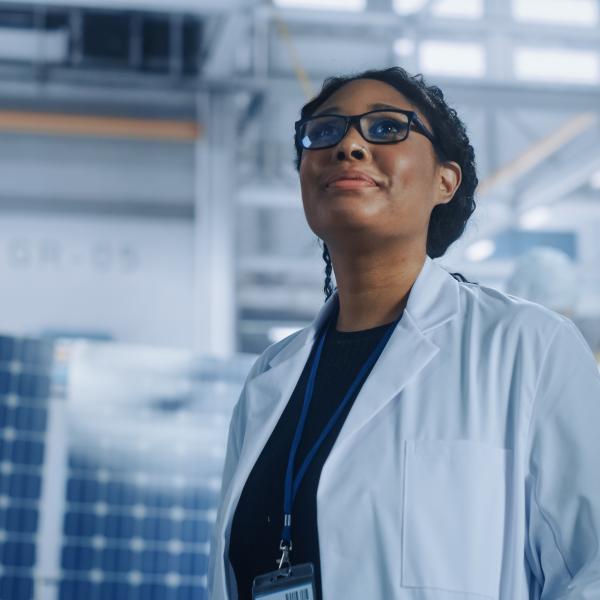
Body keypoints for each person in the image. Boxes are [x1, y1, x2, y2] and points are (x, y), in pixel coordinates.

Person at [208, 67, 600, 599]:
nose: (348, 144)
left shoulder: (526, 348)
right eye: (323, 131)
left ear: (446, 180)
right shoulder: (269, 380)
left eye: (387, 128)